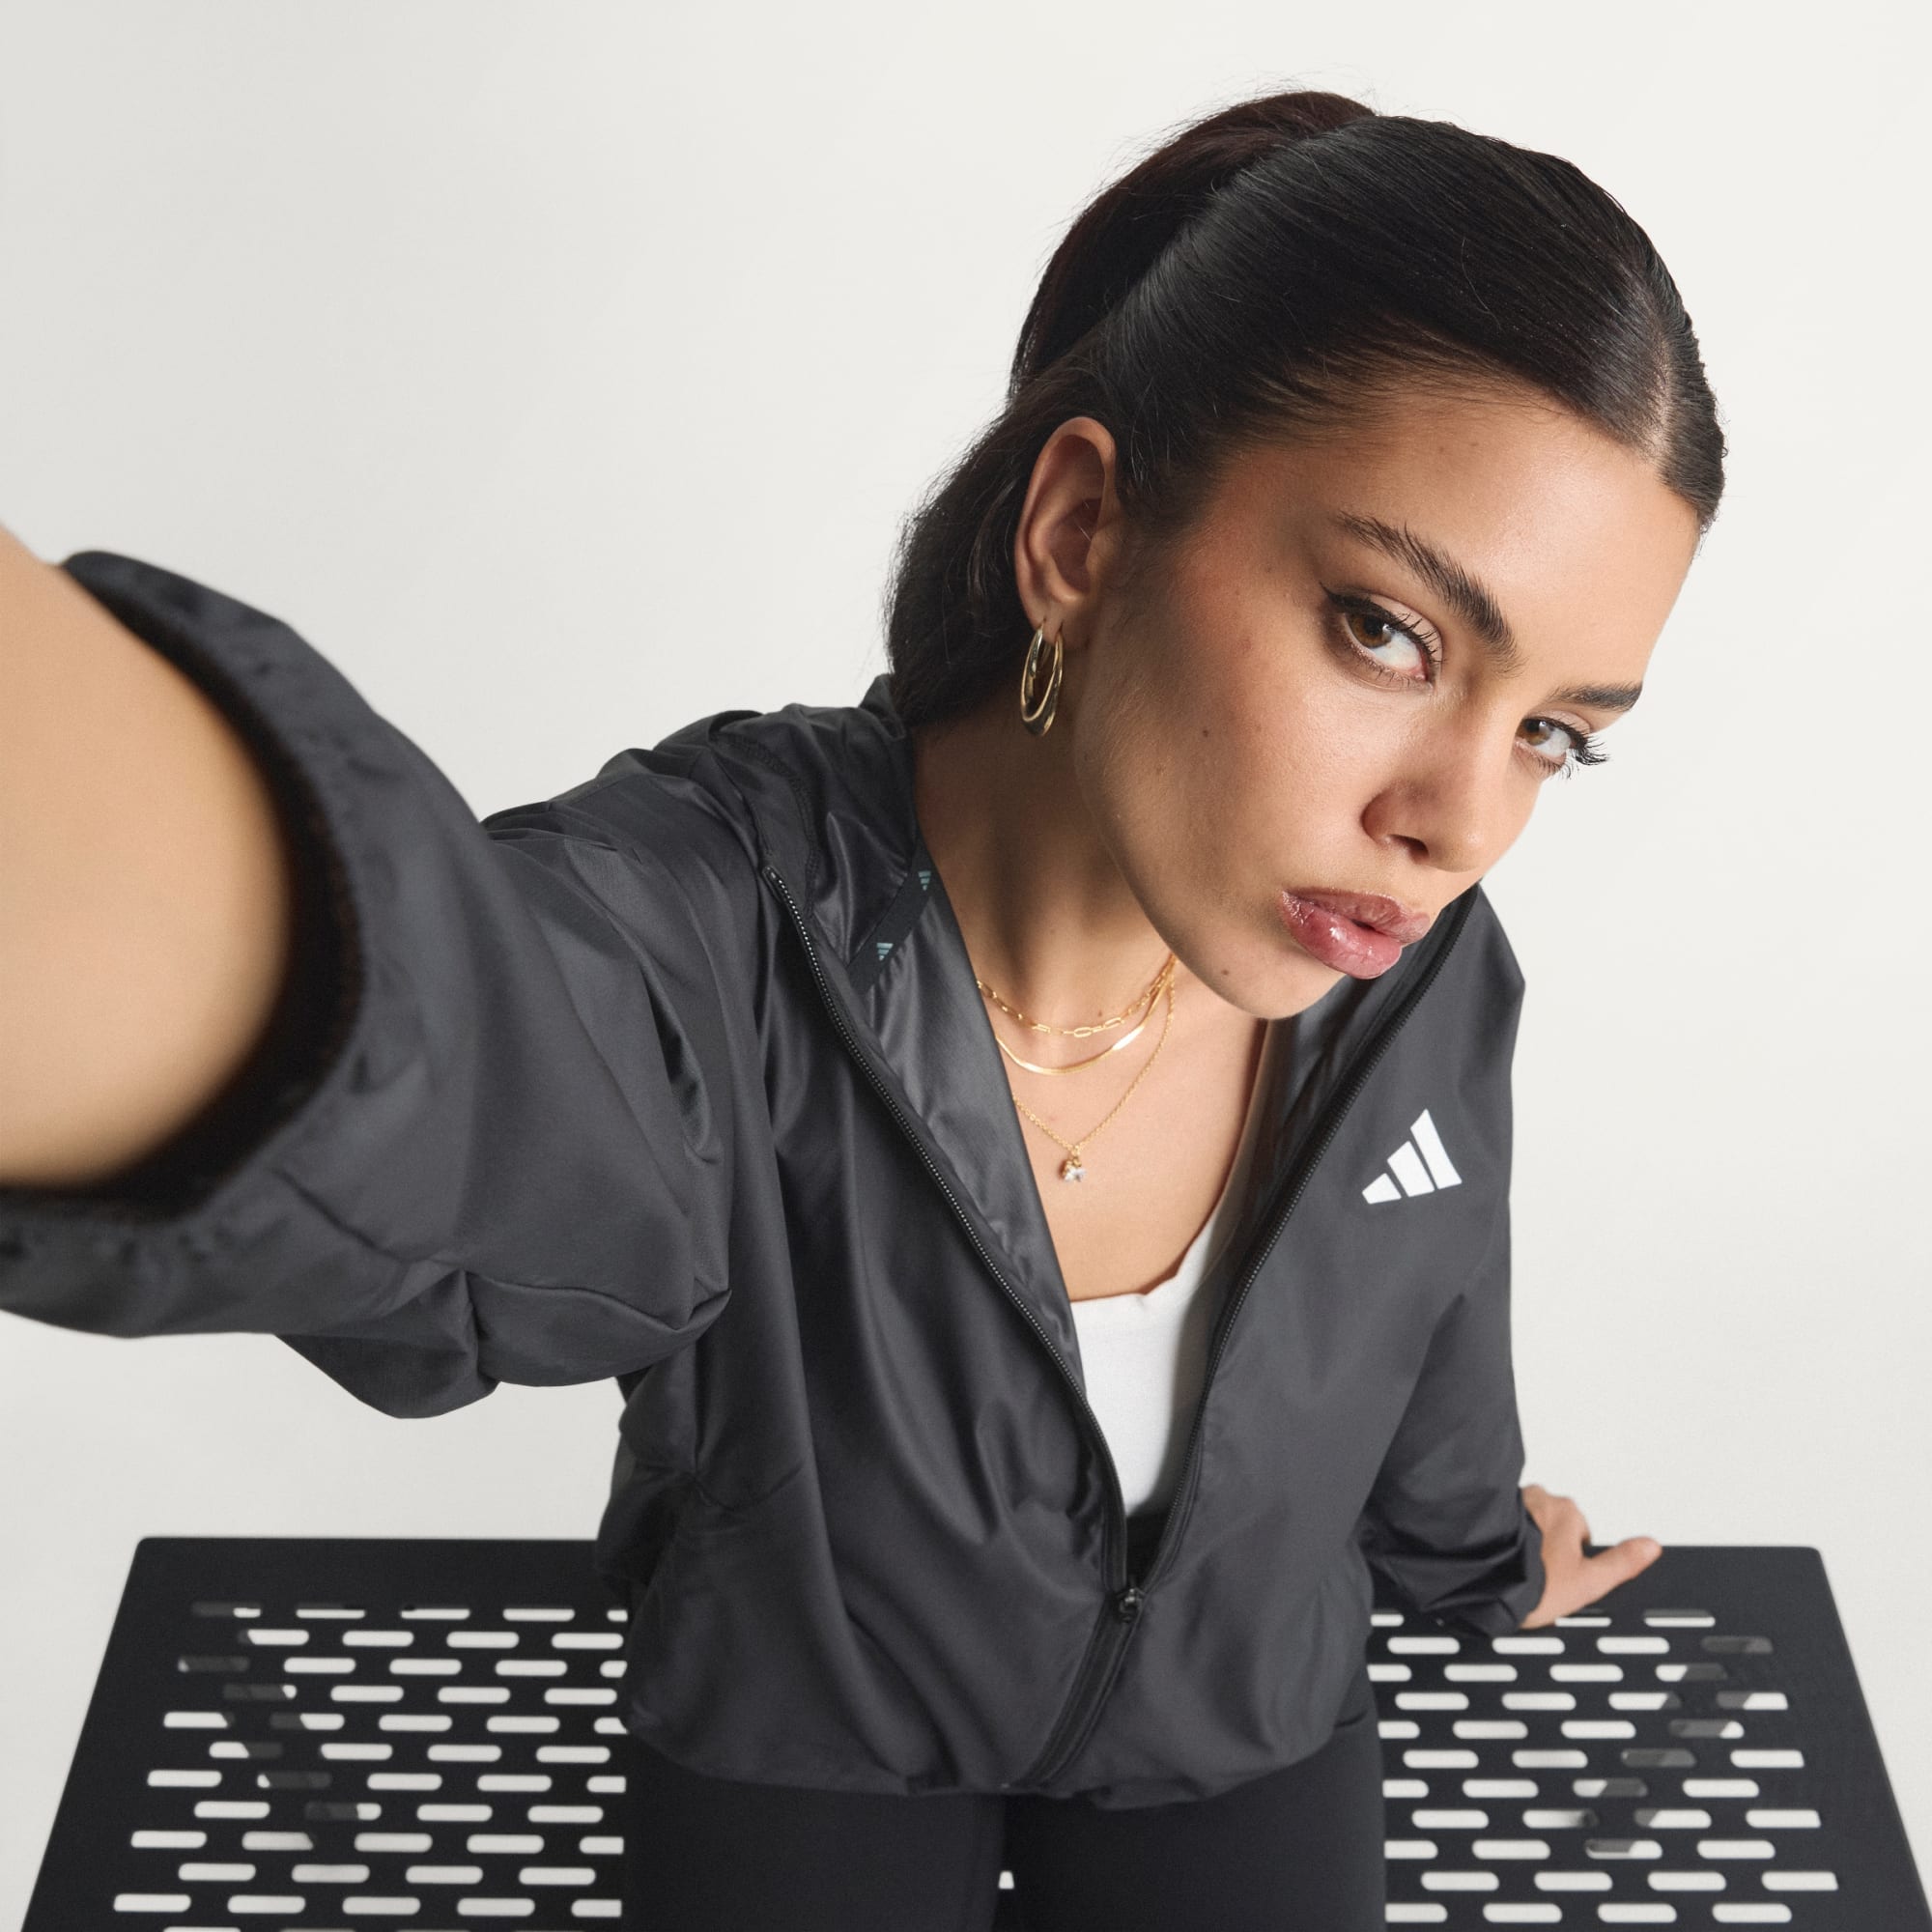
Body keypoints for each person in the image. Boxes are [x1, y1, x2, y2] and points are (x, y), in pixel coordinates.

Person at [0, 84, 1718, 1932]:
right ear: (1082, 531)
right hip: (807, 1713)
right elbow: (439, 1052)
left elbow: (1429, 1320)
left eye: (1555, 734)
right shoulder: (723, 921)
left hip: (1238, 1704)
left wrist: (1475, 1560)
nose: (1460, 823)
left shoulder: (1421, 972)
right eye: (1389, 632)